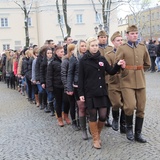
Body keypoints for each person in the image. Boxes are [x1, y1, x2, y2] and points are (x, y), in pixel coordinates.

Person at [78, 37, 125, 149]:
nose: (95, 48)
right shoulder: (83, 60)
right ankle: (95, 139)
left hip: (101, 91)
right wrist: (81, 94)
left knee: (103, 116)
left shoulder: (102, 59)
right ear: (89, 47)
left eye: (96, 45)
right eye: (93, 46)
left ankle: (97, 134)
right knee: (93, 116)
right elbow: (80, 78)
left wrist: (118, 64)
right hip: (89, 92)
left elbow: (111, 71)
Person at [116, 25, 151, 143]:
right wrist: (125, 70)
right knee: (129, 106)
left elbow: (147, 64)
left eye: (136, 33)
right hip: (127, 81)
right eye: (132, 33)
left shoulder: (142, 47)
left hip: (140, 81)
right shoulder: (122, 48)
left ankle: (138, 133)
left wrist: (139, 70)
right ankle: (129, 128)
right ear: (127, 35)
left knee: (141, 108)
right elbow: (117, 64)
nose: (134, 35)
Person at [105, 31, 126, 133]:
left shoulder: (126, 52)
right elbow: (108, 69)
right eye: (118, 40)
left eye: (121, 40)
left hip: (126, 82)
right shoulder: (109, 55)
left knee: (126, 105)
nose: (120, 42)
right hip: (114, 82)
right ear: (113, 42)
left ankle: (123, 124)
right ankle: (115, 119)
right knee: (116, 103)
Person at [67, 40, 88, 139]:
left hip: (88, 85)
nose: (84, 47)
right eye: (82, 46)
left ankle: (89, 125)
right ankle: (84, 129)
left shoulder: (89, 56)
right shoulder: (74, 58)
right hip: (77, 86)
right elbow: (70, 73)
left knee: (90, 108)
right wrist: (69, 87)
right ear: (78, 47)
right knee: (81, 107)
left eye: (85, 46)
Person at [97, 30, 113, 127]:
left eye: (105, 37)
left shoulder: (110, 48)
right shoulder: (96, 48)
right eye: (101, 37)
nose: (103, 39)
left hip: (109, 78)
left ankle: (107, 117)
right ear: (98, 38)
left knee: (109, 99)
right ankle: (100, 116)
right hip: (98, 77)